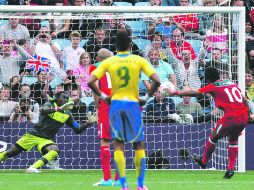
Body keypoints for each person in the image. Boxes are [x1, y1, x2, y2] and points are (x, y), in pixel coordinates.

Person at [88, 30, 161, 190]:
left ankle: (123, 185)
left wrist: (103, 96)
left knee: (118, 145)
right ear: (130, 45)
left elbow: (90, 81)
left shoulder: (109, 62)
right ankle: (140, 185)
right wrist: (146, 97)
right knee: (138, 144)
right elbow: (156, 80)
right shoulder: (138, 59)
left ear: (115, 46)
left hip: (115, 105)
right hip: (133, 105)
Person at [171, 67, 249, 179]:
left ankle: (203, 161)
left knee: (214, 136)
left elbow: (193, 92)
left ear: (207, 79)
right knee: (233, 139)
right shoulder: (231, 83)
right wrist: (249, 114)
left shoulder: (213, 86)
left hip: (231, 116)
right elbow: (244, 99)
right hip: (243, 116)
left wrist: (175, 92)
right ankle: (231, 168)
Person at [0, 91, 94, 173]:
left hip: (46, 139)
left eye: (67, 98)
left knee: (55, 150)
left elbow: (77, 129)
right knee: (9, 153)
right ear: (57, 98)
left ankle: (33, 168)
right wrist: (58, 109)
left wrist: (88, 123)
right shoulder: (50, 104)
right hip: (33, 135)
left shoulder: (67, 114)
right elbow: (43, 110)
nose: (65, 100)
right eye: (63, 97)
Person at [89, 48, 120, 186]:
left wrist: (97, 106)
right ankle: (119, 180)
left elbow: (95, 87)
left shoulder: (96, 69)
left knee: (105, 141)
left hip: (106, 106)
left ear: (98, 58)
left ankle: (107, 179)